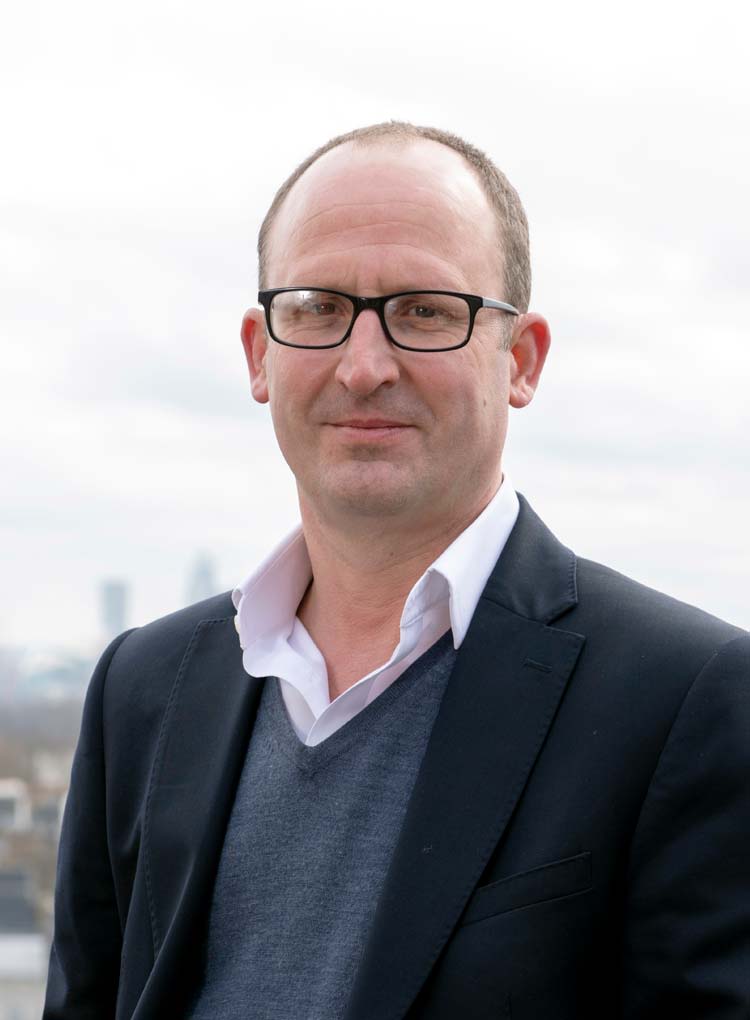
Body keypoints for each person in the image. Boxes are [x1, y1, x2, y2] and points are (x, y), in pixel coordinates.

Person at [44, 122, 750, 1020]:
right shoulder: (143, 688)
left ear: (521, 360)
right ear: (260, 354)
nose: (364, 366)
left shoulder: (685, 700)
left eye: (424, 311)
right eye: (317, 308)